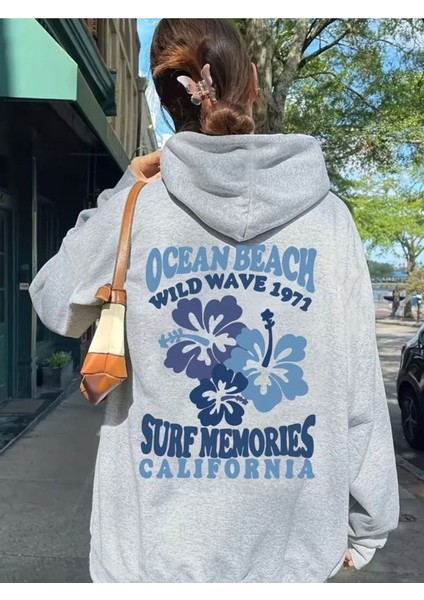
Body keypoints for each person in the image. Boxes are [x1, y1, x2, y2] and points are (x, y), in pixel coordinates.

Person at [29, 18, 399, 583]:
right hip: (291, 554)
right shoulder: (330, 220)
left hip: (149, 559)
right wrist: (367, 526)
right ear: (253, 83)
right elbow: (359, 388)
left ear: (165, 102)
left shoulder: (139, 209)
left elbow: (52, 297)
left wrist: (125, 187)